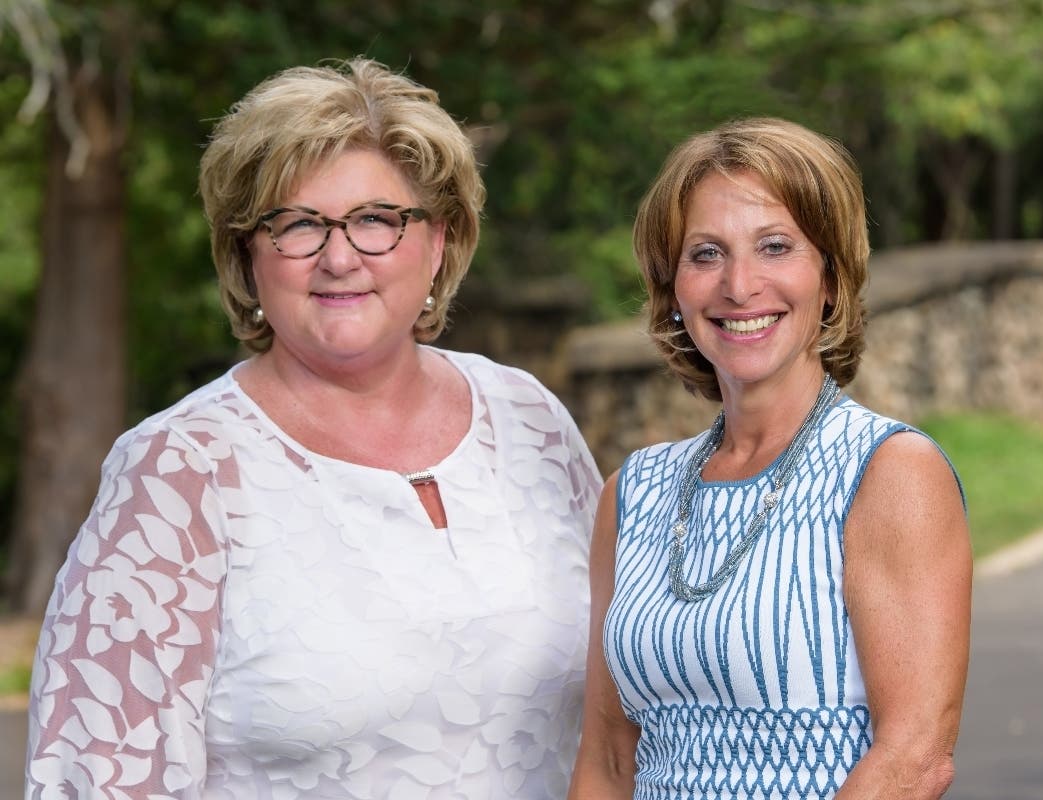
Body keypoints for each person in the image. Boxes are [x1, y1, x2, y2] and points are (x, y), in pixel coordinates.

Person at [25, 57, 603, 799]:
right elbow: (95, 780)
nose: (338, 257)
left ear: (438, 242)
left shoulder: (528, 420)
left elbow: (621, 705)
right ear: (246, 255)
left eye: (374, 220)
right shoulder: (178, 471)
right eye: (296, 224)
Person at [568, 117, 971, 799]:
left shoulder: (887, 472)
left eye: (775, 246)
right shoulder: (630, 494)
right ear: (672, 293)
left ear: (832, 278)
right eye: (705, 254)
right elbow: (607, 758)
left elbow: (913, 759)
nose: (738, 284)